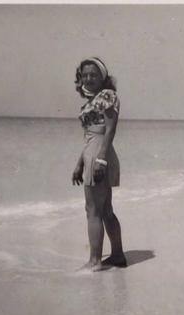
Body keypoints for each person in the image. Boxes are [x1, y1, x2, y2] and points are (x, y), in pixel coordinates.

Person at [72, 57, 127, 272]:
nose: (89, 78)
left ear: (102, 76)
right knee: (105, 210)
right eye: (85, 75)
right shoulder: (91, 101)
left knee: (93, 210)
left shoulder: (107, 95)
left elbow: (110, 129)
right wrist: (79, 164)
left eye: (94, 74)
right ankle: (117, 256)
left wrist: (101, 159)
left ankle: (95, 261)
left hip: (99, 153)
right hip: (93, 153)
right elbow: (89, 136)